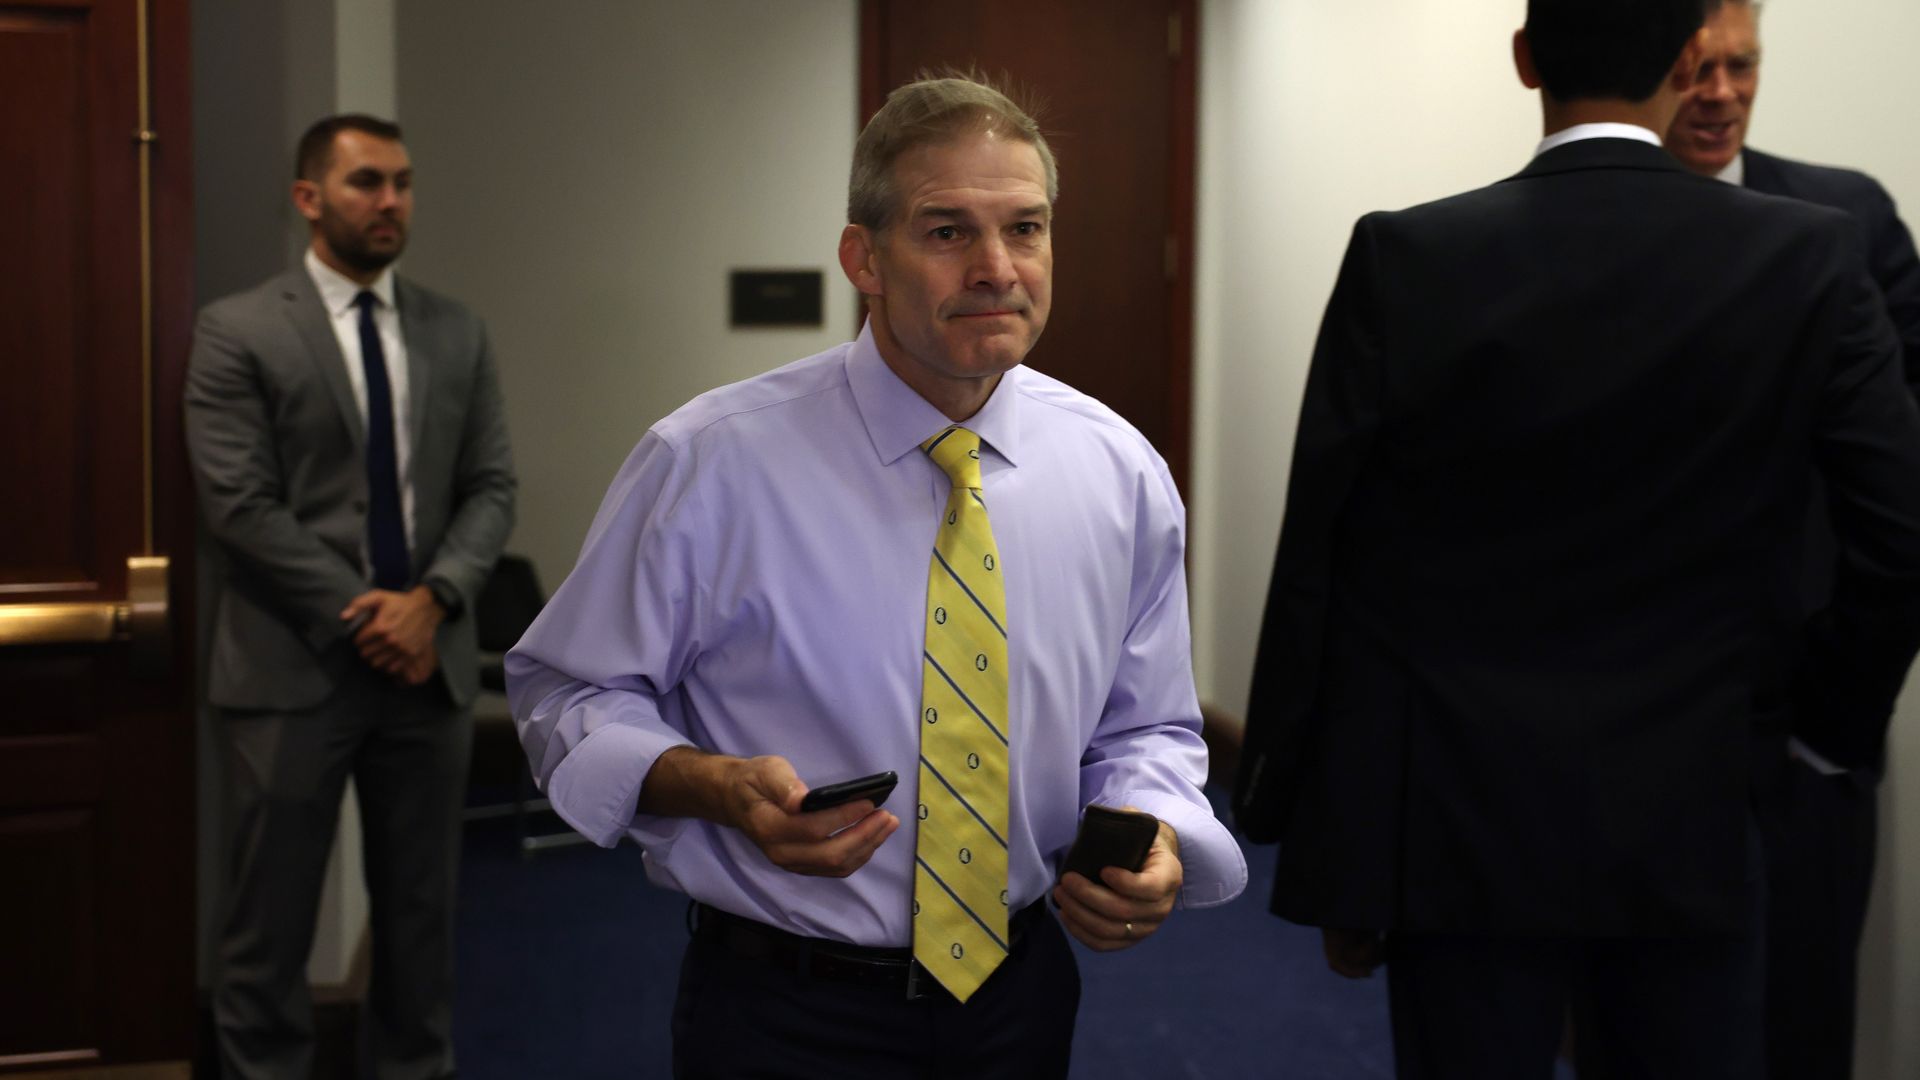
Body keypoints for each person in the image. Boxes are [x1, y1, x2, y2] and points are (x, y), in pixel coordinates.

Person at [1231, 0, 1920, 1075]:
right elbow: (1900, 535)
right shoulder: (1811, 260)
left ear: (1524, 60)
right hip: (1704, 815)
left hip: (1459, 826)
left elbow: (1333, 567)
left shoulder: (1407, 256)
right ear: (1688, 65)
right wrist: (1817, 734)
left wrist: (1319, 828)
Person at [507, 75, 1244, 1078]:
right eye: (948, 232)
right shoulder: (712, 462)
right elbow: (567, 691)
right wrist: (717, 787)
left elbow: (1147, 726)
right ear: (864, 257)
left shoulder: (1119, 473)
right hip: (783, 1010)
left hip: (1017, 1000)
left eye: (1024, 229)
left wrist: (1157, 832)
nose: (996, 268)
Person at [185, 114, 516, 1079]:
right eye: (367, 182)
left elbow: (491, 486)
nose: (390, 202)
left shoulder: (456, 330)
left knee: (421, 924)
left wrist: (435, 601)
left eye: (403, 183)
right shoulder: (238, 329)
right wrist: (376, 615)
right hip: (291, 671)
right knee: (268, 927)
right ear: (309, 198)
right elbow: (241, 508)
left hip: (430, 670)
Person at [1665, 8, 1920, 1072]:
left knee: (1801, 1027)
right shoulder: (1562, 228)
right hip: (1628, 733)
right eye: (1691, 69)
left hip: (1804, 732)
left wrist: (1839, 728)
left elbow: (1904, 484)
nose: (1719, 91)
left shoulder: (1844, 217)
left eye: (1741, 66)